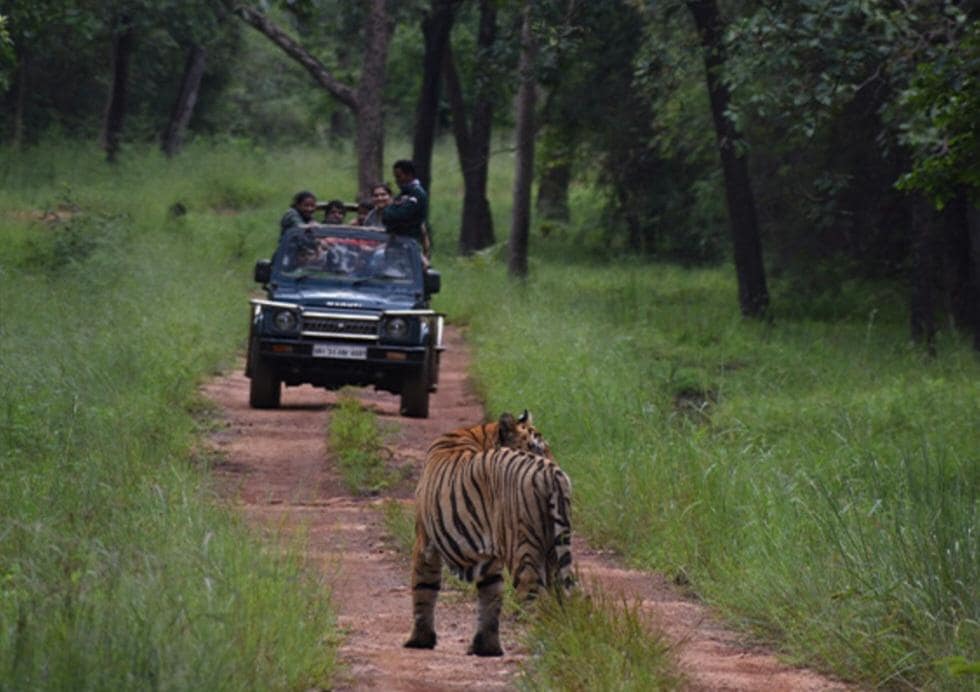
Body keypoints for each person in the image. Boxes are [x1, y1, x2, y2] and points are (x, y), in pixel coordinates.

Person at [382, 160, 430, 257]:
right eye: (395, 177)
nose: (397, 180)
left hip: (409, 244)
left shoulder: (416, 194)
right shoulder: (404, 193)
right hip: (396, 243)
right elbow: (386, 216)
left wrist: (389, 210)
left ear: (409, 175)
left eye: (399, 176)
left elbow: (400, 215)